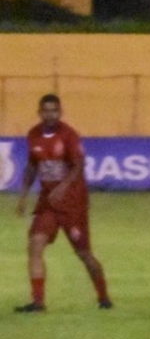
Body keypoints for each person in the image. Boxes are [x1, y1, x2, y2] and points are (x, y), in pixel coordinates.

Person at [14, 94, 112, 313]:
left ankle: (104, 297)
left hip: (72, 205)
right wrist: (23, 197)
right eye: (46, 111)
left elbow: (79, 164)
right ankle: (38, 302)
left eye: (54, 111)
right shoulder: (33, 135)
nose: (50, 115)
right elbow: (32, 166)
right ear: (39, 112)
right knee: (35, 245)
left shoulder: (68, 135)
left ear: (60, 112)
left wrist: (64, 186)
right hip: (48, 204)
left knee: (84, 254)